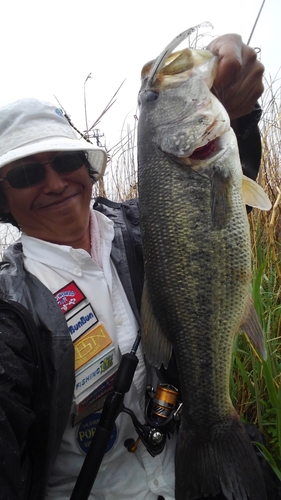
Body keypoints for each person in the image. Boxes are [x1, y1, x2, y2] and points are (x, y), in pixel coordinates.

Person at [0, 34, 265, 500]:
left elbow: (216, 221)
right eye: (26, 173)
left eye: (64, 160)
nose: (56, 182)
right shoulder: (10, 308)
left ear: (86, 165)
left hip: (189, 473)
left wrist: (239, 115)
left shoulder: (143, 228)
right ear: (4, 197)